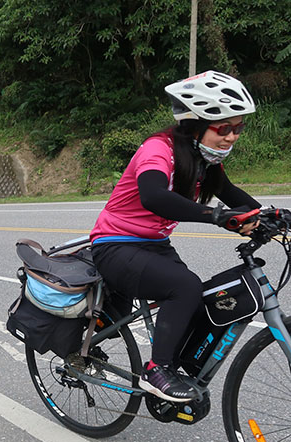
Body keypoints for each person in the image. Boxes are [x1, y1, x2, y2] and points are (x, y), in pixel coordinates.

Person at [90, 70, 262, 402]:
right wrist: (217, 217)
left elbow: (228, 191)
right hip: (115, 244)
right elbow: (153, 195)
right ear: (195, 124)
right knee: (183, 287)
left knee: (199, 298)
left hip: (153, 244)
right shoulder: (159, 150)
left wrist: (267, 215)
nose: (232, 137)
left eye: (238, 128)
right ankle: (156, 370)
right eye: (223, 128)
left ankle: (177, 369)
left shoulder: (203, 157)